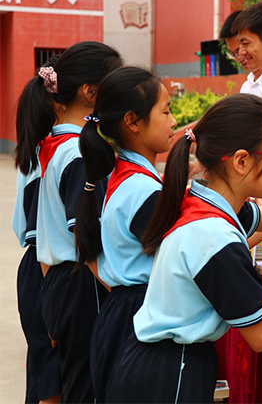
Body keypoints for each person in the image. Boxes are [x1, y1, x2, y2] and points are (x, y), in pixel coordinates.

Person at [104, 94, 262, 403]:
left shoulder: (207, 202)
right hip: (171, 372)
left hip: (157, 363)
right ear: (242, 161)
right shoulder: (215, 237)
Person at [72, 67, 177, 403]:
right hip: (139, 315)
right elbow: (187, 260)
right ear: (132, 122)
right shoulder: (143, 191)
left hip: (120, 312)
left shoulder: (122, 176)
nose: (174, 121)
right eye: (166, 112)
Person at [31, 42, 123, 403]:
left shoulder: (57, 144)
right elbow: (84, 239)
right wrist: (123, 294)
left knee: (77, 384)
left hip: (61, 282)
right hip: (85, 283)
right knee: (88, 388)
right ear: (90, 92)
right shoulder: (78, 153)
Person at [13, 55, 64, 404]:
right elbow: (40, 234)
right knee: (52, 380)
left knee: (43, 373)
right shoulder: (54, 157)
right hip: (47, 273)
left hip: (37, 269)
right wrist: (56, 303)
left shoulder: (36, 151)